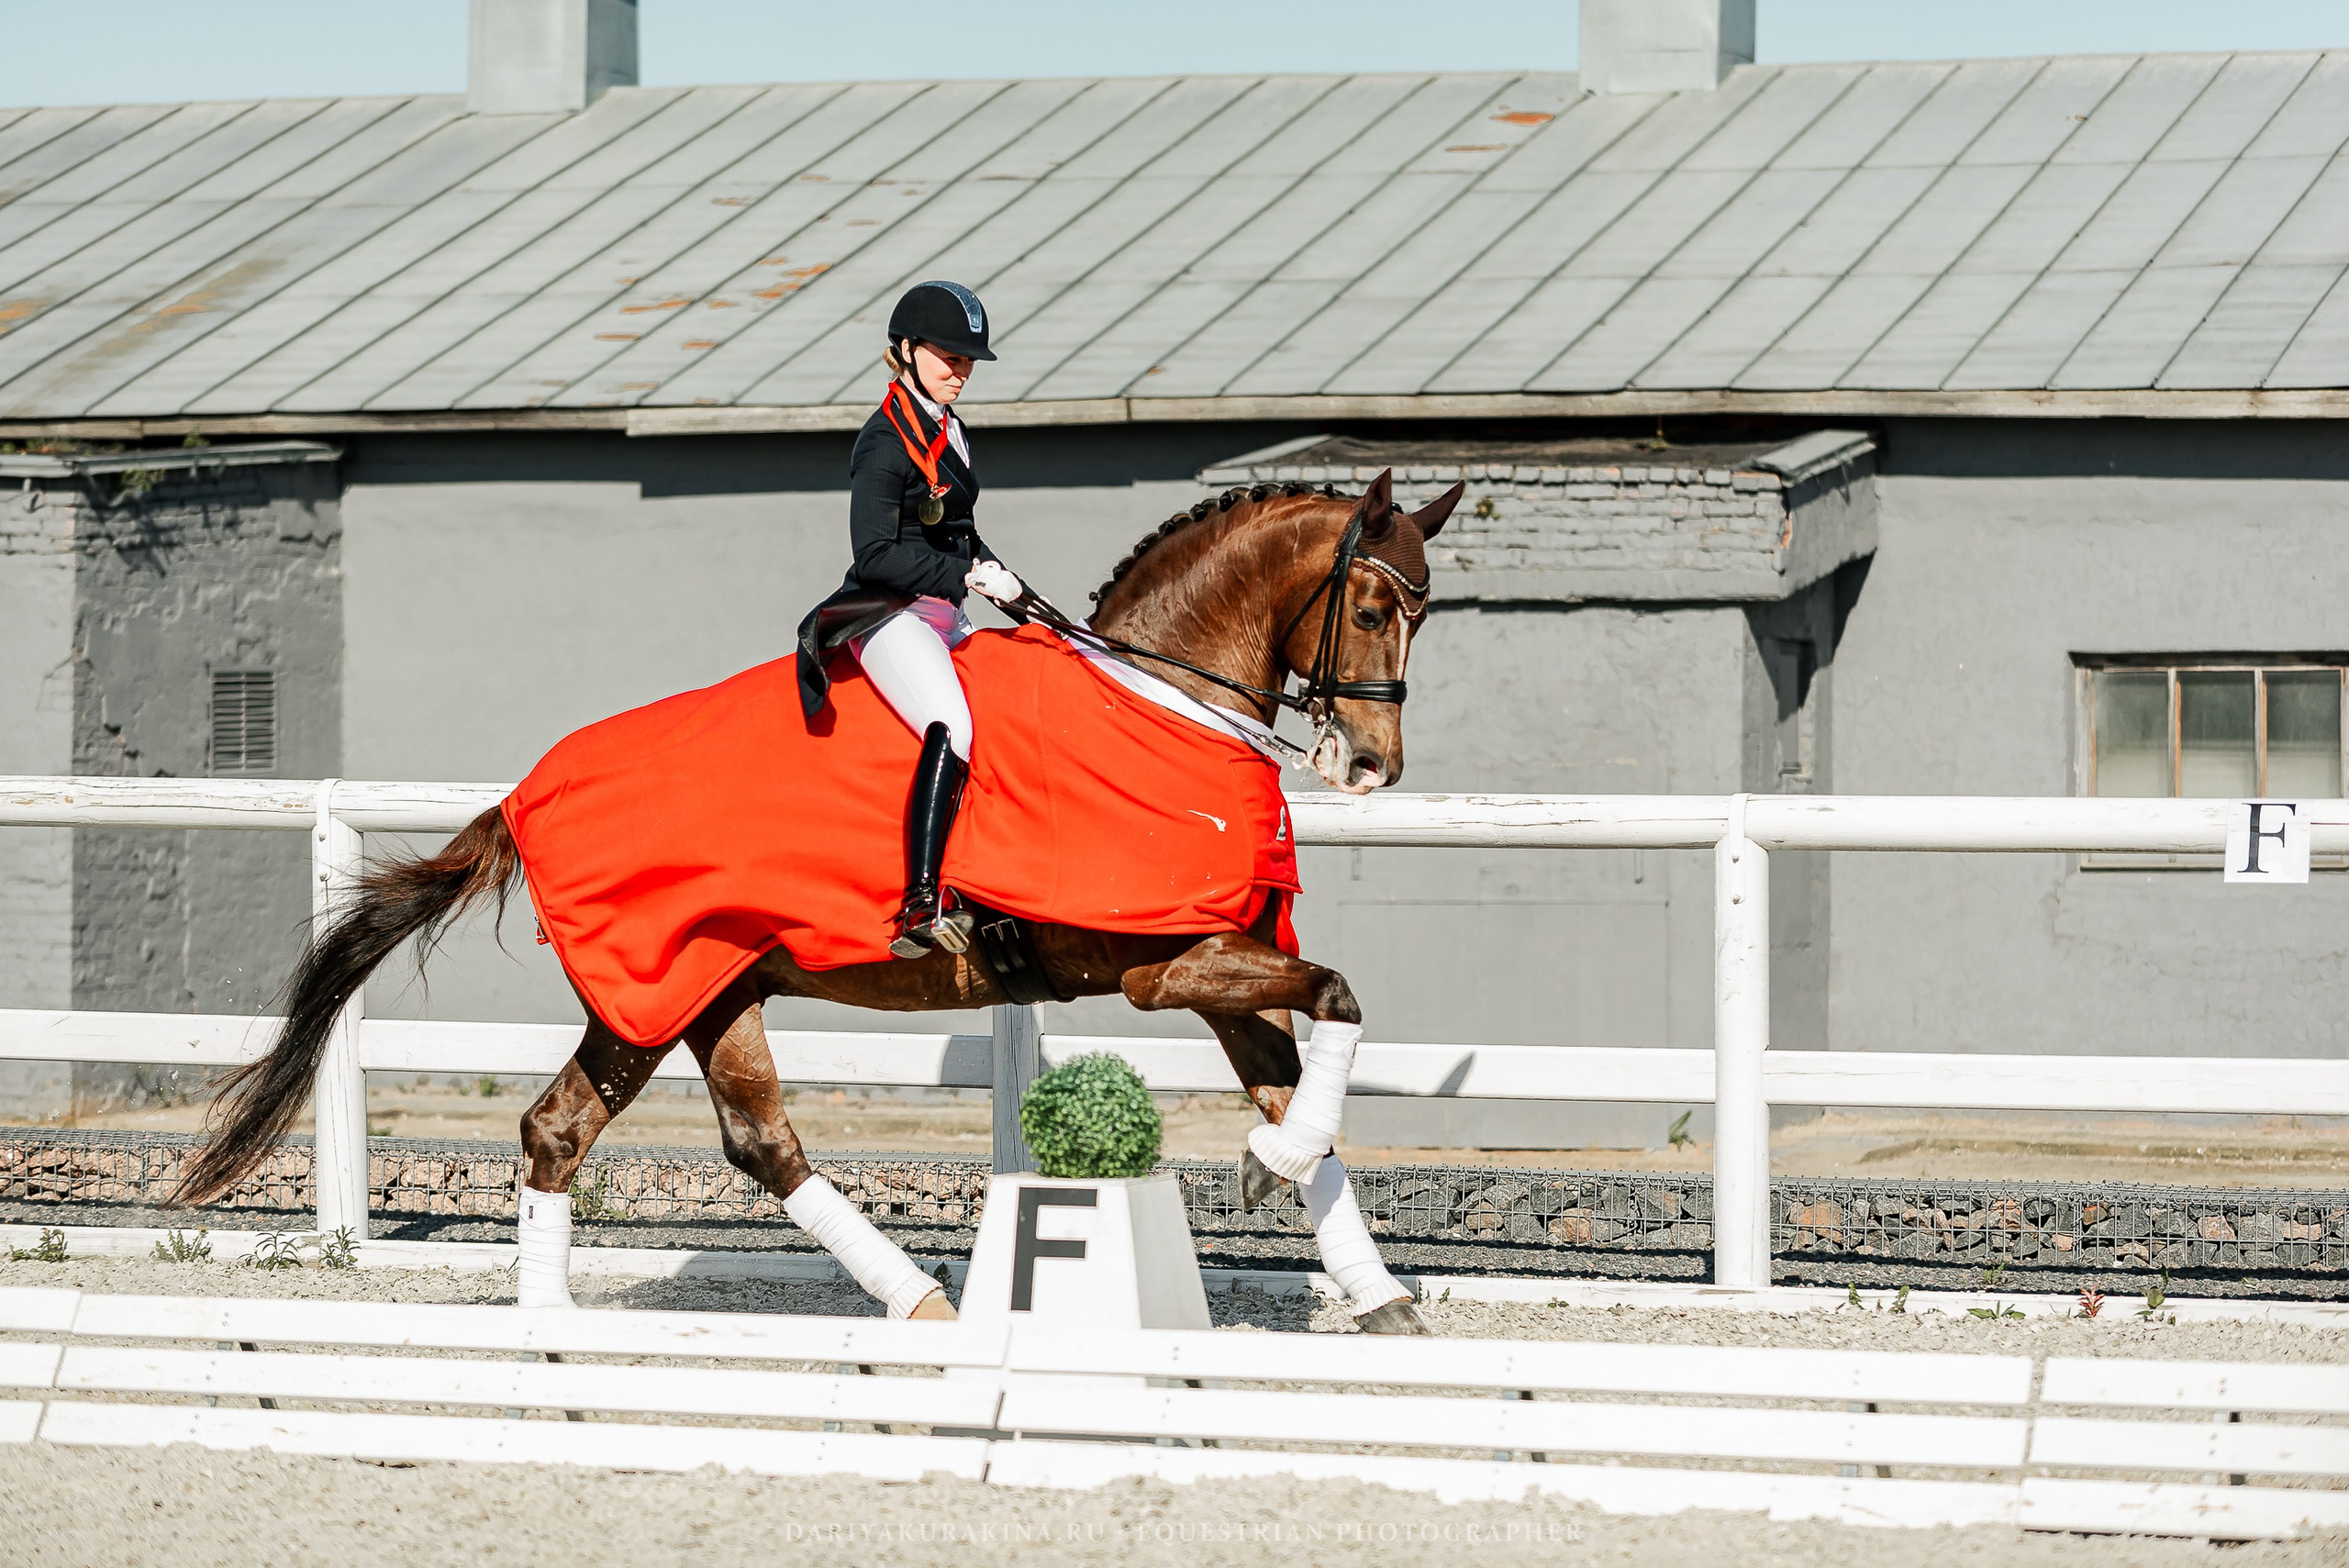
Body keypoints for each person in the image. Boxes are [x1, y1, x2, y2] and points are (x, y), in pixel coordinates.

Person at [796, 281, 1026, 959]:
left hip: (944, 612)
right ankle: (920, 903)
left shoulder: (949, 426)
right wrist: (964, 575)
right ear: (905, 350)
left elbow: (956, 528)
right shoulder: (883, 441)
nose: (962, 371)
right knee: (951, 724)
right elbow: (875, 554)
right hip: (888, 616)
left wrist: (1008, 584)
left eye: (968, 360)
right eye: (949, 356)